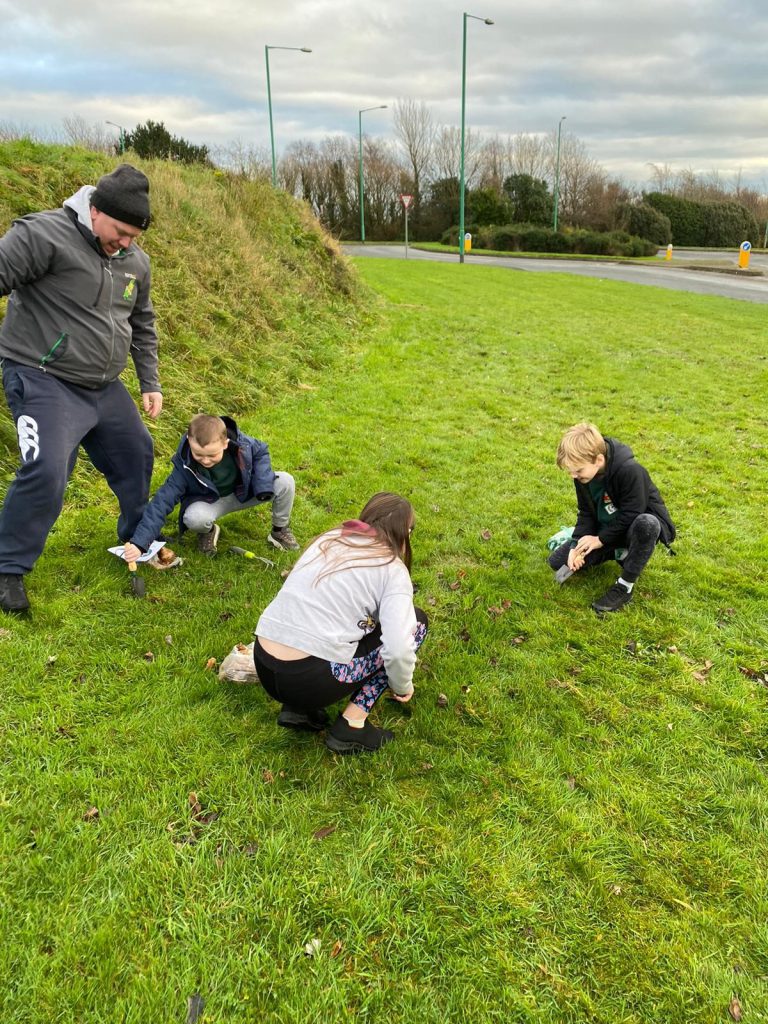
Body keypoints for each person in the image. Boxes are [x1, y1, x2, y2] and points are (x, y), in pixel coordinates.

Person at [0, 164, 162, 613]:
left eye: (134, 235)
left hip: (104, 387)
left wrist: (150, 381)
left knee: (137, 452)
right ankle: (7, 568)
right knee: (48, 471)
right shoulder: (42, 235)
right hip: (42, 377)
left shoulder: (135, 263)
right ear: (95, 210)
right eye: (120, 230)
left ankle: (137, 537)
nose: (126, 242)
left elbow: (142, 324)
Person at [253, 492, 428, 754]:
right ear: (407, 532)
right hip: (308, 678)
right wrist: (402, 685)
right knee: (418, 622)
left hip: (265, 663)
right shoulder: (392, 569)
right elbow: (398, 648)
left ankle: (300, 710)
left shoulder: (329, 539)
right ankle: (352, 725)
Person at [121, 413, 299, 561]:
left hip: (244, 492)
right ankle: (209, 531)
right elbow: (161, 502)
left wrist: (262, 485)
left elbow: (261, 451)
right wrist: (140, 543)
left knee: (285, 481)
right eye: (199, 454)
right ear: (190, 442)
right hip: (211, 502)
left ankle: (279, 530)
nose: (205, 461)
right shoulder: (184, 466)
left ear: (225, 443)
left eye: (212, 455)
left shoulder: (242, 444)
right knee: (194, 518)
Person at [548, 422, 676, 614]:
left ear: (598, 460)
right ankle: (619, 553)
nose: (574, 476)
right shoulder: (582, 477)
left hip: (633, 529)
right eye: (571, 471)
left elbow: (632, 513)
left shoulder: (630, 471)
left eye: (578, 470)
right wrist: (576, 545)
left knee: (647, 524)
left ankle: (625, 585)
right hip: (608, 529)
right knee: (557, 561)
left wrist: (600, 540)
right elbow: (586, 513)